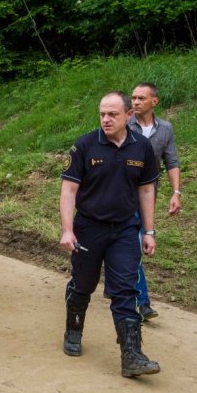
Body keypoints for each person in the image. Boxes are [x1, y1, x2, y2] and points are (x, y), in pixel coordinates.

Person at [59, 91, 160, 377]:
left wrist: (148, 231)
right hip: (89, 228)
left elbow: (146, 190)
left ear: (129, 115)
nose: (106, 119)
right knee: (84, 283)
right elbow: (68, 190)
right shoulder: (85, 146)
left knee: (126, 289)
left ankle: (132, 356)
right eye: (102, 113)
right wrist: (68, 230)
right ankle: (73, 330)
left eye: (113, 114)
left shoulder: (142, 147)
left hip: (126, 229)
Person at [127, 82, 182, 320]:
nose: (136, 102)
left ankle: (123, 287)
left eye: (141, 98)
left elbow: (172, 161)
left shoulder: (165, 129)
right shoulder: (124, 123)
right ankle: (143, 302)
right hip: (122, 197)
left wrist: (176, 192)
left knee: (133, 245)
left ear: (154, 102)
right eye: (133, 98)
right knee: (134, 245)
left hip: (147, 197)